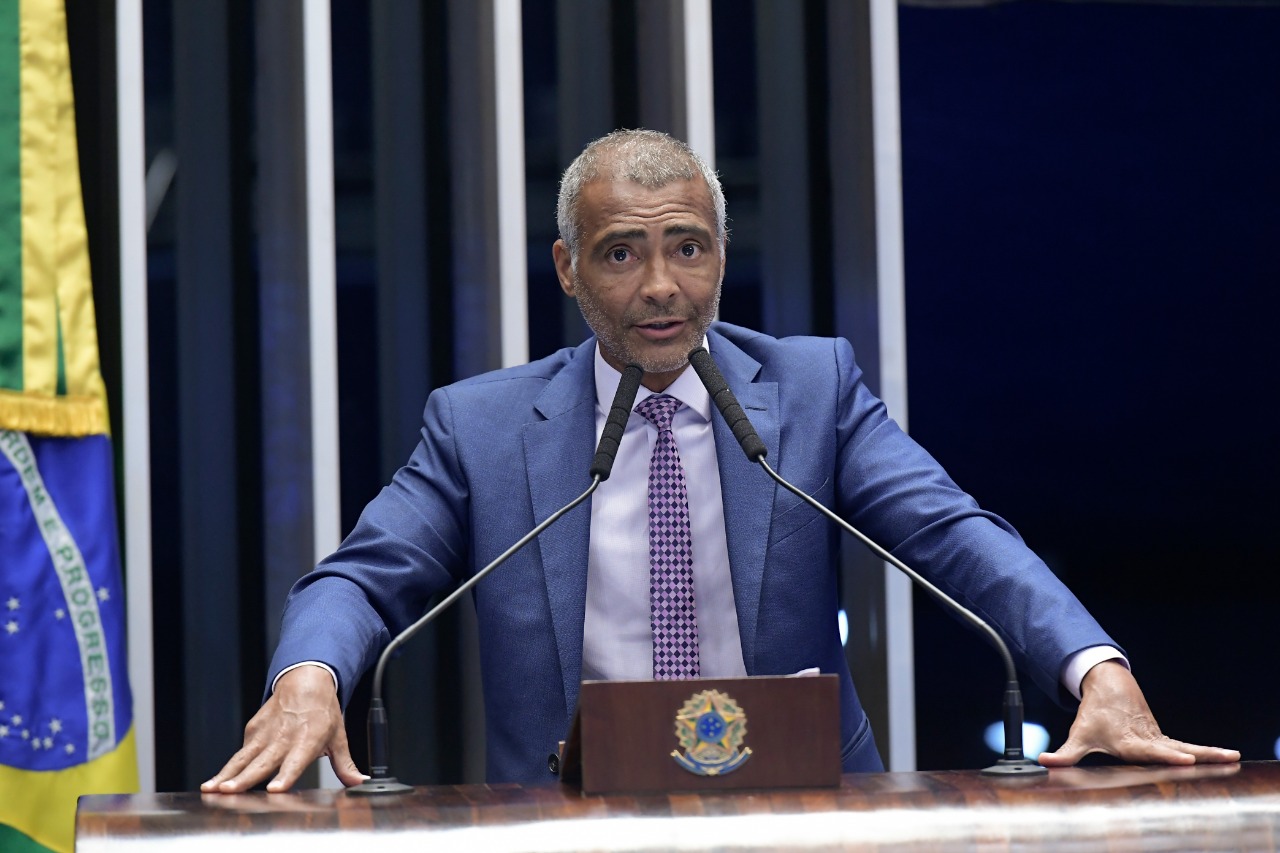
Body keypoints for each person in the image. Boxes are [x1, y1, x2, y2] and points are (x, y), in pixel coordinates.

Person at [204, 129, 1238, 794]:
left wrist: (1093, 666)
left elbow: (955, 537)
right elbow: (362, 579)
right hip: (567, 818)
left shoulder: (813, 390)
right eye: (621, 252)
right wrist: (309, 678)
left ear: (720, 256)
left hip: (804, 811)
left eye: (687, 247)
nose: (661, 285)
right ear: (567, 267)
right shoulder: (481, 426)